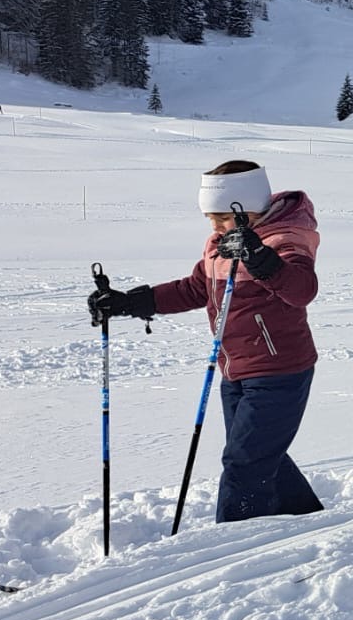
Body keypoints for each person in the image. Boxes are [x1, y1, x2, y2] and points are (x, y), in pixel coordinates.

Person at [87, 160, 326, 523]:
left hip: (280, 370)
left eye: (220, 218)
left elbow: (301, 289)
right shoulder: (221, 245)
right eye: (209, 219)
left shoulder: (285, 237)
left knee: (244, 460)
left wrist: (259, 257)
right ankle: (306, 517)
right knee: (255, 453)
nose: (214, 227)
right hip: (236, 370)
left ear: (245, 211)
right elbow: (195, 288)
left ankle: (236, 538)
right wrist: (130, 302)